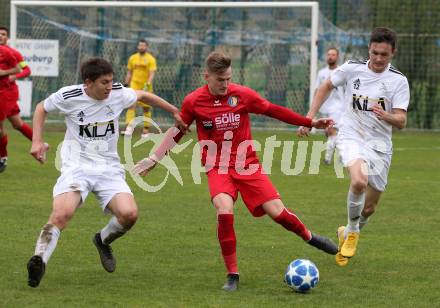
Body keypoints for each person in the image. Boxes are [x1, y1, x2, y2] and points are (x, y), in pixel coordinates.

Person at [133, 51, 338, 291]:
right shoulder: (193, 101)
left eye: (229, 78)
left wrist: (309, 122)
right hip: (217, 167)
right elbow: (178, 131)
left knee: (278, 212)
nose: (225, 84)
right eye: (220, 80)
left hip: (247, 164)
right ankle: (233, 274)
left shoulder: (241, 95)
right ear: (206, 76)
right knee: (224, 208)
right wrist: (155, 158)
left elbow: (272, 110)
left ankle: (309, 237)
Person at [26, 57, 187, 288]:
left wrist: (173, 110)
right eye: (104, 82)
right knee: (62, 213)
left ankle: (102, 240)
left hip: (108, 168)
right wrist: (37, 141)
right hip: (77, 167)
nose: (109, 87)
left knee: (129, 215)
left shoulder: (118, 93)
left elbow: (141, 95)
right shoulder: (69, 96)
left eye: (111, 81)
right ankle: (39, 260)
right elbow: (42, 108)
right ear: (88, 82)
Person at [298, 27, 410, 266]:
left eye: (384, 55)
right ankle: (352, 231)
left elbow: (401, 120)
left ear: (393, 53)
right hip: (351, 134)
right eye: (375, 52)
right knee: (358, 181)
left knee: (369, 209)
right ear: (369, 49)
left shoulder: (398, 81)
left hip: (380, 145)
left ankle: (349, 228)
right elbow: (326, 86)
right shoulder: (352, 68)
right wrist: (309, 117)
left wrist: (386, 115)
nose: (379, 59)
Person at [0, 26, 32, 172]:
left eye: (3, 34)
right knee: (17, 124)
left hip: (7, 92)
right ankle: (39, 143)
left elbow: (26, 69)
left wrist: (12, 76)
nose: (0, 36)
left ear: (7, 37)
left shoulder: (13, 53)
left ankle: (2, 157)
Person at [314, 47, 345, 165]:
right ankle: (339, 157)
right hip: (324, 107)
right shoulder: (321, 73)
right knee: (329, 133)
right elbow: (317, 90)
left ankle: (333, 158)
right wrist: (314, 107)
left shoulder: (341, 72)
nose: (330, 57)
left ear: (337, 57)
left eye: (333, 55)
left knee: (332, 132)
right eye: (328, 54)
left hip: (337, 107)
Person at [122, 39, 157, 137]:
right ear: (138, 47)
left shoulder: (151, 59)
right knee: (131, 105)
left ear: (147, 47)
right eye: (140, 45)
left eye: (143, 46)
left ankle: (145, 131)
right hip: (134, 86)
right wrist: (126, 83)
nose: (141, 47)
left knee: (146, 108)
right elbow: (129, 72)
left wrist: (148, 84)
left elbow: (152, 73)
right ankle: (129, 129)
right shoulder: (133, 58)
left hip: (146, 87)